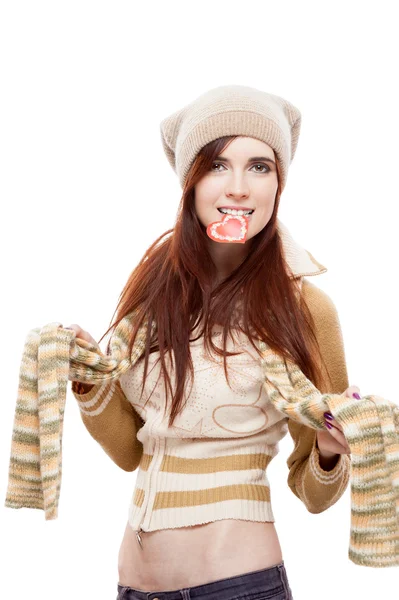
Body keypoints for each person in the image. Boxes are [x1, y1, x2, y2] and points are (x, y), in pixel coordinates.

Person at [69, 85, 357, 600]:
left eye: (260, 167)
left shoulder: (305, 308)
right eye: (218, 165)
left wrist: (332, 453)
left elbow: (314, 495)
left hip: (237, 585)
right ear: (191, 182)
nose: (239, 188)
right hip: (134, 588)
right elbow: (130, 450)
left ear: (278, 184)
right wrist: (89, 379)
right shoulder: (154, 296)